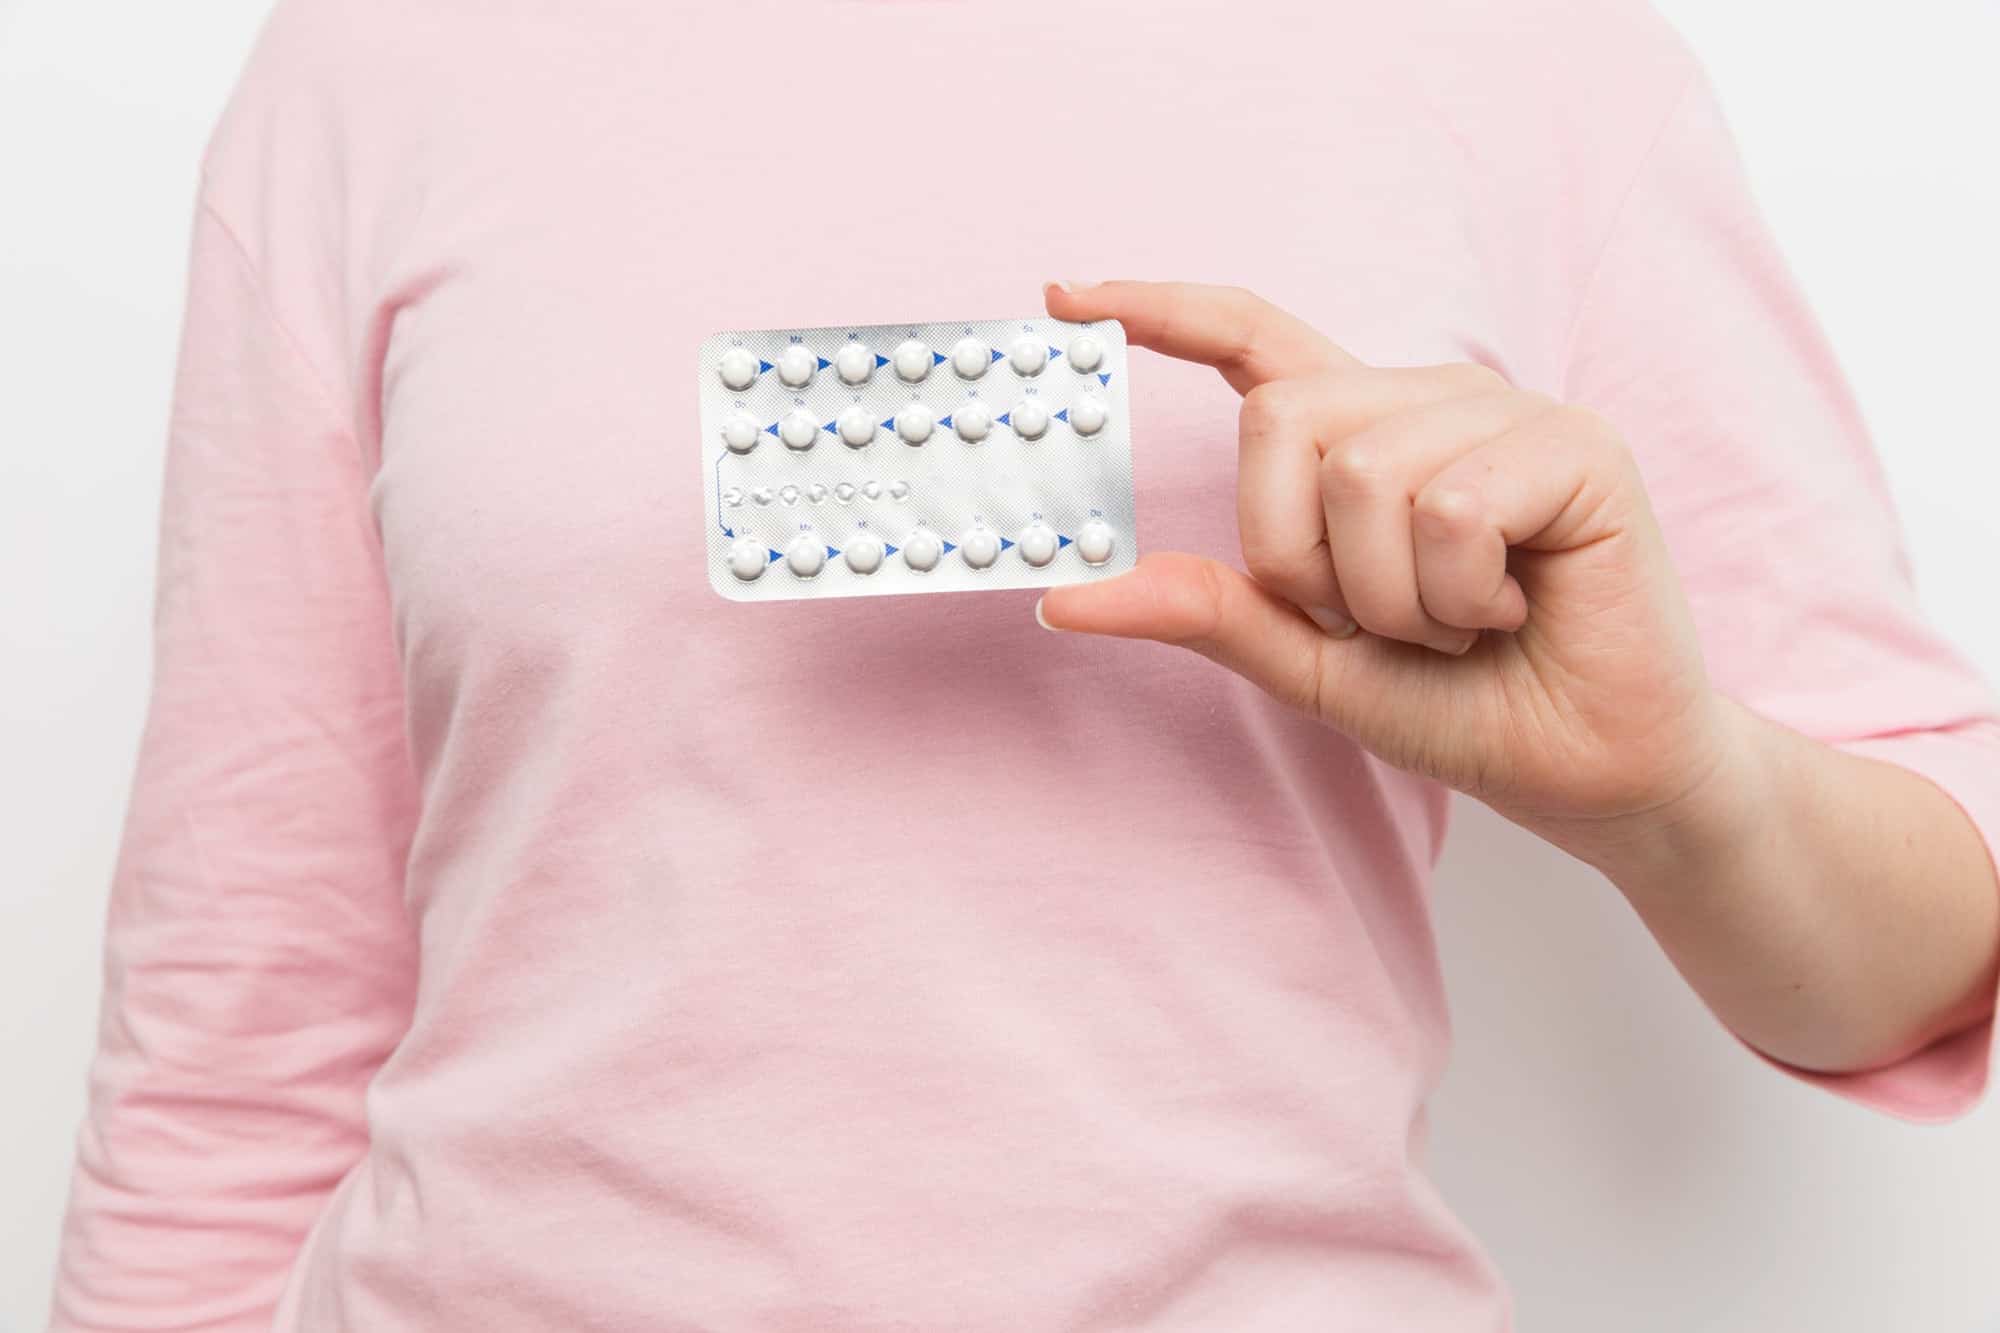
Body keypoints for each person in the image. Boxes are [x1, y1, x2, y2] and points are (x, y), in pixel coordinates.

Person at [50, 0, 1999, 1328]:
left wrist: (1673, 789)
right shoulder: (379, 64)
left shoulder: (1510, 56)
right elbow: (238, 1041)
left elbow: (1933, 943)